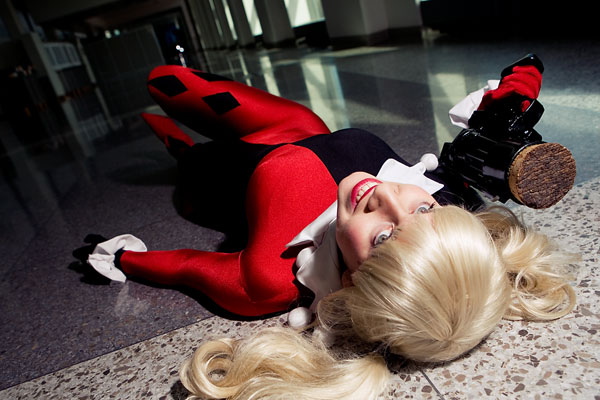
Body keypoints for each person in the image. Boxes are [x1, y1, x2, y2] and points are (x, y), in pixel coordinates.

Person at [78, 55, 577, 399]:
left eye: (383, 238)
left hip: (214, 176)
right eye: (425, 213)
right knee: (166, 79)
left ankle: (178, 147)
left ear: (351, 280)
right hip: (300, 125)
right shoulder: (447, 197)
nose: (387, 198)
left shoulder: (268, 278)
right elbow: (499, 120)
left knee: (179, 132)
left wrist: (121, 257)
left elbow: (190, 266)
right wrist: (516, 90)